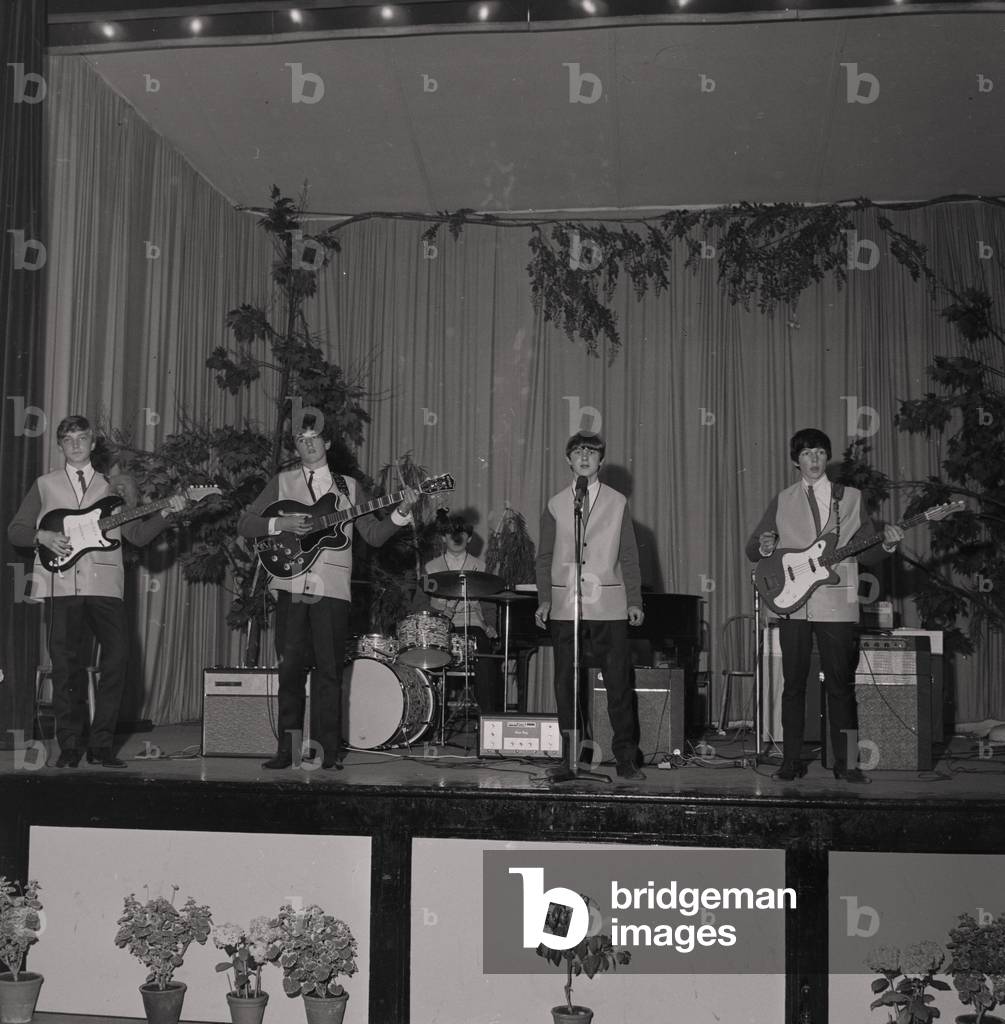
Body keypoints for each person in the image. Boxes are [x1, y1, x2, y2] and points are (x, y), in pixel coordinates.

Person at [7, 415, 188, 768]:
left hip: (105, 585)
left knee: (118, 660)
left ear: (93, 444)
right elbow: (16, 530)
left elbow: (135, 536)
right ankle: (70, 746)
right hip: (60, 584)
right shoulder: (44, 485)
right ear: (60, 445)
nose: (75, 443)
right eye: (68, 438)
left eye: (82, 437)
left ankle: (102, 745)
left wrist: (167, 513)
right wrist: (41, 536)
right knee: (65, 666)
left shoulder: (115, 487)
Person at [238, 419, 418, 770]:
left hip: (332, 591)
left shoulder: (350, 487)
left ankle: (327, 753)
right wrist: (280, 524)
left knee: (329, 672)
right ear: (295, 447)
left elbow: (375, 536)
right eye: (300, 440)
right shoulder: (281, 483)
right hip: (290, 586)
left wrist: (403, 510)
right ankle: (286, 752)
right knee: (289, 670)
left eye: (314, 438)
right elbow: (246, 524)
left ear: (328, 442)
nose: (308, 445)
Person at [746, 428, 904, 783]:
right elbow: (753, 548)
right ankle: (790, 760)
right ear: (795, 461)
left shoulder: (850, 498)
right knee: (793, 685)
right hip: (793, 603)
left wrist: (889, 545)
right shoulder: (782, 500)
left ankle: (847, 764)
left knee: (841, 685)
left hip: (838, 601)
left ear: (826, 457)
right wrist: (766, 545)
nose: (814, 459)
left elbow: (868, 550)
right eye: (806, 453)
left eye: (819, 452)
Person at [534, 431, 646, 781]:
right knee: (567, 687)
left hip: (608, 607)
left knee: (618, 684)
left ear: (601, 460)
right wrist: (545, 600)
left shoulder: (617, 501)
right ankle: (572, 759)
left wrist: (634, 600)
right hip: (567, 606)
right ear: (568, 459)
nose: (584, 457)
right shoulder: (556, 503)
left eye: (592, 452)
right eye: (578, 452)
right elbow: (545, 557)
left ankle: (626, 757)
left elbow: (628, 554)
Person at [420, 510, 502, 713]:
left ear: (470, 537)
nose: (456, 538)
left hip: (473, 625)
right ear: (443, 537)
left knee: (485, 657)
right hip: (441, 628)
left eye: (461, 534)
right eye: (450, 533)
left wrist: (490, 625)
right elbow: (420, 604)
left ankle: (488, 719)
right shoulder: (430, 568)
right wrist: (437, 615)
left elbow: (488, 603)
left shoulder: (480, 567)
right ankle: (432, 718)